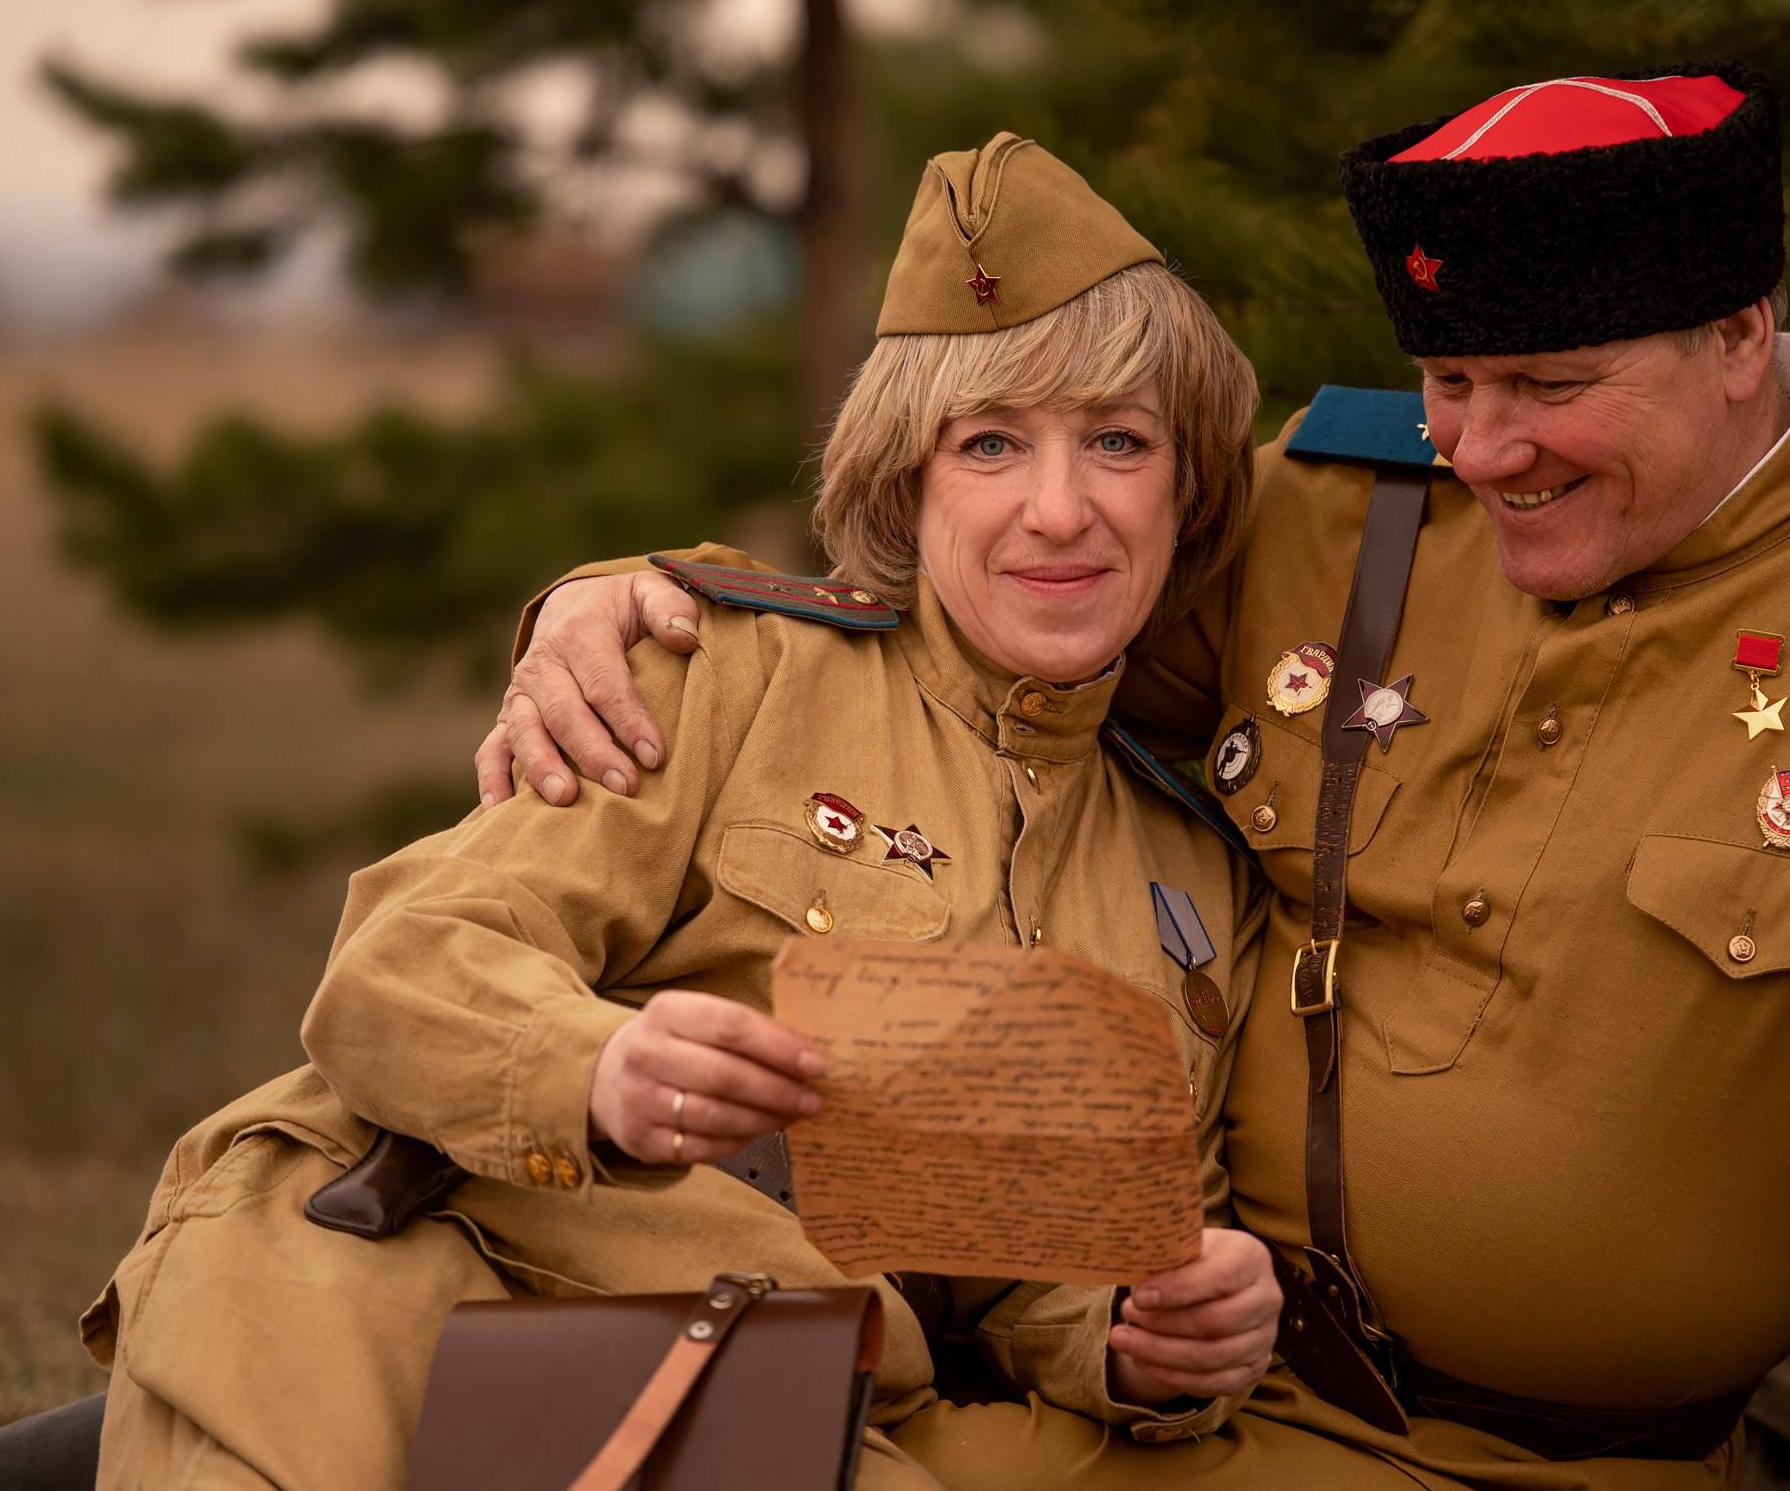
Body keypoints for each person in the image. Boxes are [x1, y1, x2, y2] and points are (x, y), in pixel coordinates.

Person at [494, 62, 1790, 1490]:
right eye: (1446, 378)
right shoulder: (1335, 516)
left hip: (1528, 1466)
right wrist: (648, 601)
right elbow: (989, 617)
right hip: (1142, 1382)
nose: (1484, 448)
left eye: (1545, 382)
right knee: (539, 1422)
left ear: (1738, 339)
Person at [75, 132, 1287, 1491]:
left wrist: (1144, 1332)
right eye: (992, 442)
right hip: (404, 1271)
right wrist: (593, 1070)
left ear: (1187, 490)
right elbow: (396, 967)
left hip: (747, 1389)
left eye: (1117, 441)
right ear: (908, 480)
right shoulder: (720, 668)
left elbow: (1040, 1275)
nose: (1059, 510)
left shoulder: (1192, 868)